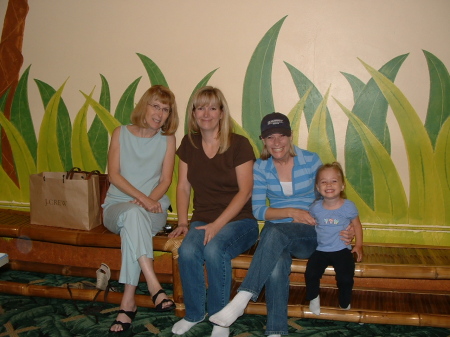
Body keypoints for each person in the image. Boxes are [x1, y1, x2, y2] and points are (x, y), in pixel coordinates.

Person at [210, 112, 354, 337]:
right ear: (263, 141)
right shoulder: (260, 167)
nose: (276, 142)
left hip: (310, 233)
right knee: (276, 260)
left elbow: (331, 197)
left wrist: (346, 226)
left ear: (290, 136)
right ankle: (276, 331)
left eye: (281, 136)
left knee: (274, 231)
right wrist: (290, 212)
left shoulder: (311, 160)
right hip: (276, 234)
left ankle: (240, 300)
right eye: (270, 137)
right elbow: (258, 210)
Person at [169, 86, 259, 337]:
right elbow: (184, 186)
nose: (205, 113)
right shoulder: (189, 143)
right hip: (203, 218)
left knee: (215, 248)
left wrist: (217, 225)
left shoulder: (239, 144)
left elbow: (245, 192)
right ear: (193, 114)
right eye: (200, 107)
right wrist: (184, 222)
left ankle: (221, 319)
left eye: (212, 107)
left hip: (241, 221)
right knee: (187, 250)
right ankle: (195, 313)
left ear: (221, 113)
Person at [102, 85, 179, 333]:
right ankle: (155, 286)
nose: (160, 113)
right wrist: (140, 200)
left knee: (134, 222)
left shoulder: (168, 139)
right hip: (117, 207)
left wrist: (146, 202)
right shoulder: (120, 133)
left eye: (165, 109)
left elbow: (165, 180)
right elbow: (113, 175)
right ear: (144, 106)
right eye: (155, 106)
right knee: (132, 215)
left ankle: (128, 303)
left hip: (154, 210)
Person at [306, 162, 363, 315]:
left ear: (342, 186)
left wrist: (358, 246)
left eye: (334, 181)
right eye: (323, 181)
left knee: (345, 278)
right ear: (318, 187)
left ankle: (345, 302)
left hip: (342, 249)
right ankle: (313, 298)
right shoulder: (315, 207)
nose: (329, 185)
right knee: (311, 273)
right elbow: (308, 221)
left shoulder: (348, 206)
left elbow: (357, 225)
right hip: (321, 250)